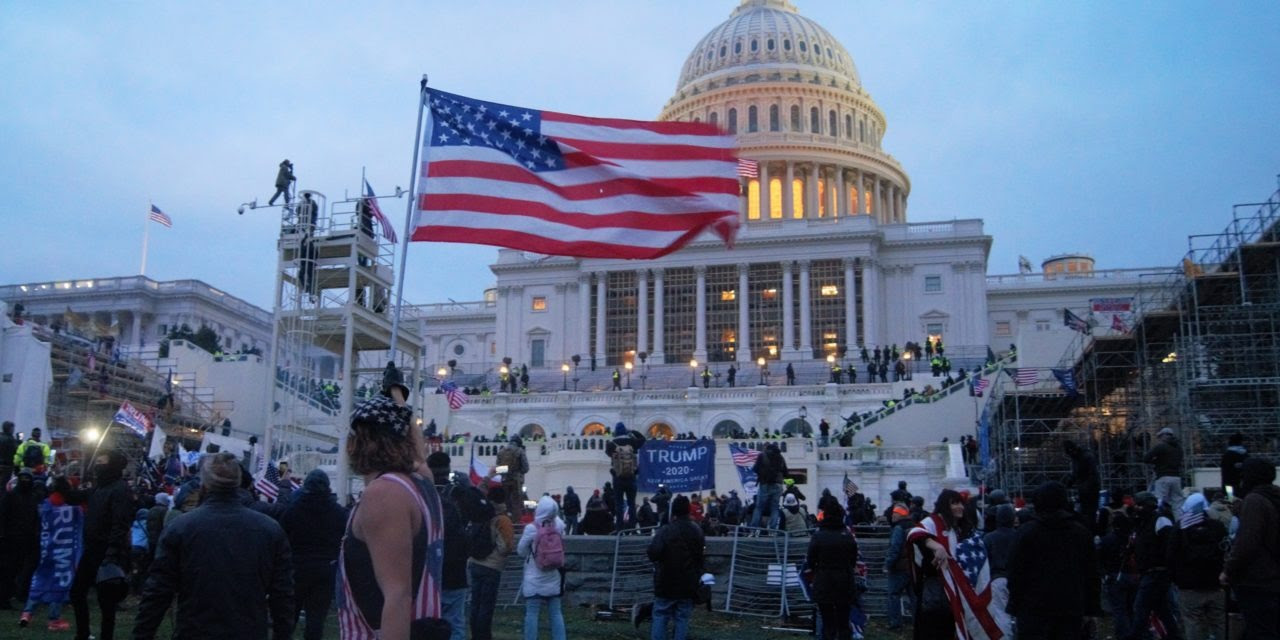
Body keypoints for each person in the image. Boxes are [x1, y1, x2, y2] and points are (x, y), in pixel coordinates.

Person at [133, 452, 294, 640]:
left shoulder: (181, 528)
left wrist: (142, 633)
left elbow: (158, 591)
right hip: (247, 630)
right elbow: (282, 595)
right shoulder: (269, 530)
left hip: (195, 630)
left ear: (204, 484)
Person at [335, 391, 448, 640]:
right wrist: (398, 400)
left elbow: (397, 596)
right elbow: (420, 459)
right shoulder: (422, 485)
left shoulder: (384, 493)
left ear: (360, 442)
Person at [906, 489, 1009, 639]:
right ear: (944, 506)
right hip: (937, 599)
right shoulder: (932, 524)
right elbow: (914, 534)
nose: (960, 507)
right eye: (954, 503)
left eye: (961, 503)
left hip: (959, 597)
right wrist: (936, 545)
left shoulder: (963, 530)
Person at [1007, 482, 1098, 638]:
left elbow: (1015, 573)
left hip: (1034, 609)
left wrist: (1015, 605)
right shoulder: (1081, 533)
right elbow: (1092, 574)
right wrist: (1090, 609)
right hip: (1071, 608)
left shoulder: (1025, 533)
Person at [71, 450, 133, 640]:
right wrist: (61, 487)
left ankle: (106, 636)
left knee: (106, 601)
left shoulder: (120, 489)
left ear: (111, 465)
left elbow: (120, 522)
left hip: (107, 551)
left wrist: (112, 552)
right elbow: (77, 497)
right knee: (77, 592)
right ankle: (83, 633)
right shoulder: (99, 488)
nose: (97, 465)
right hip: (92, 550)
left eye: (101, 462)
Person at [279, 469, 346, 640]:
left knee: (288, 617)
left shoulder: (294, 510)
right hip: (325, 569)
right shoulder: (338, 512)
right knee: (316, 619)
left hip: (297, 568)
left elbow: (282, 537)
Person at [1220, 458, 1280, 638]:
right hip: (1274, 578)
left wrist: (1228, 570)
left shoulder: (1254, 500)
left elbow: (1247, 542)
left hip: (1257, 580)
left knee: (1260, 631)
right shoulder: (1273, 498)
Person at [20, 475, 80, 631]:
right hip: (64, 551)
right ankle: (54, 619)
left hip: (46, 549)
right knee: (60, 582)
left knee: (40, 578)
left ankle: (27, 613)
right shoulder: (73, 509)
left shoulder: (45, 505)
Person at [1168, 492, 1227, 640]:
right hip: (1216, 584)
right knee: (1219, 623)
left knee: (1193, 624)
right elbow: (1226, 552)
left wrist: (1177, 579)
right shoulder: (1218, 527)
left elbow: (1170, 556)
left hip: (1189, 587)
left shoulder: (1180, 529)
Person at [647, 495, 704, 640]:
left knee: (660, 614)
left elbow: (653, 553)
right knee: (682, 618)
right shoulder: (697, 531)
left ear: (673, 512)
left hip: (666, 580)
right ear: (688, 510)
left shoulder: (666, 531)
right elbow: (701, 557)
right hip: (688, 582)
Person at [425, 452, 469, 640]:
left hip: (430, 570)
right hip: (456, 571)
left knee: (428, 624)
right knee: (456, 623)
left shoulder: (422, 494)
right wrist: (470, 489)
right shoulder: (459, 494)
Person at [1127, 491, 1182, 640]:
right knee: (1161, 608)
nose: (1137, 508)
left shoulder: (1160, 520)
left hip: (1157, 572)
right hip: (1150, 572)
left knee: (1141, 607)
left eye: (1140, 505)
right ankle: (1174, 636)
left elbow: (1171, 546)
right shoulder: (1142, 523)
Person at [517, 496, 566, 640]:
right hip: (554, 575)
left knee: (532, 613)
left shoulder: (532, 528)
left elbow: (521, 551)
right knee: (556, 613)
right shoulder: (559, 525)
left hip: (534, 576)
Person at [470, 485, 515, 640]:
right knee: (486, 606)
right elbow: (506, 546)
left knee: (475, 603)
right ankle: (484, 636)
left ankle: (475, 635)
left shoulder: (480, 513)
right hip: (491, 566)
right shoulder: (502, 519)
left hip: (474, 562)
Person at [807, 503, 858, 640]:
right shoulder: (847, 536)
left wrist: (818, 570)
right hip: (844, 580)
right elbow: (853, 558)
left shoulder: (818, 536)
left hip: (824, 579)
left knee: (827, 621)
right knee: (843, 621)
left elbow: (810, 560)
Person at [0, 469, 41, 610]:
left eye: (27, 478)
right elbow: (3, 516)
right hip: (11, 539)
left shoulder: (31, 497)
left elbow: (35, 518)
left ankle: (17, 594)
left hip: (26, 539)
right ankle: (4, 598)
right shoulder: (11, 496)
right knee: (9, 570)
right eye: (23, 478)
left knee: (20, 569)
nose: (25, 481)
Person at [1098, 511, 1139, 640]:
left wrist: (1104, 574)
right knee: (1131, 608)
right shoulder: (1132, 540)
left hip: (1115, 577)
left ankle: (1124, 635)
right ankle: (1134, 632)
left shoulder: (1107, 540)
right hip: (1132, 576)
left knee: (1119, 609)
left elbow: (1099, 559)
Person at [982, 503, 1016, 626]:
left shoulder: (989, 538)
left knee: (1002, 616)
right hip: (1019, 579)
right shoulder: (1020, 535)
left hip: (997, 580)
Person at [883, 504, 914, 632]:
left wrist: (887, 565)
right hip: (912, 568)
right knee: (914, 596)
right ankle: (918, 622)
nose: (892, 515)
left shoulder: (898, 528)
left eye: (894, 513)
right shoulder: (914, 526)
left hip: (899, 568)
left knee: (893, 595)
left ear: (900, 514)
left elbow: (895, 549)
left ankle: (895, 624)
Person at [606, 424, 643, 530]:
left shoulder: (611, 444)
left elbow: (608, 453)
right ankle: (632, 528)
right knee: (632, 504)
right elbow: (643, 439)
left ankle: (619, 528)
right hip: (631, 477)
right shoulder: (632, 442)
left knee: (619, 504)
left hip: (618, 478)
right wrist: (632, 431)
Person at [1144, 427, 1184, 515]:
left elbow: (1146, 458)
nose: (1159, 439)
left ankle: (1160, 521)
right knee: (1177, 503)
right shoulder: (1179, 448)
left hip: (1163, 476)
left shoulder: (1161, 446)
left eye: (1160, 437)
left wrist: (1156, 461)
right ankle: (1179, 523)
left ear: (1163, 436)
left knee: (1159, 501)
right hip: (1176, 477)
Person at [1063, 440, 1101, 530]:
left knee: (1090, 511)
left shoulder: (1087, 456)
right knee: (1084, 511)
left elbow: (1093, 475)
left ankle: (1091, 529)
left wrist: (1085, 486)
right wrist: (1068, 483)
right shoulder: (1075, 458)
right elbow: (1075, 473)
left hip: (1091, 489)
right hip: (1083, 488)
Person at [749, 444, 787, 530]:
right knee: (774, 507)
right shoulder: (780, 457)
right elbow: (785, 472)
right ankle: (773, 529)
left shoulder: (762, 455)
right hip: (777, 484)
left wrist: (762, 474)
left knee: (759, 507)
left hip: (764, 484)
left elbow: (755, 469)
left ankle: (753, 528)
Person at [496, 436, 529, 519]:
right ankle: (516, 521)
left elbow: (498, 467)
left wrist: (505, 473)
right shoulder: (519, 451)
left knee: (506, 501)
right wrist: (517, 472)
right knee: (516, 502)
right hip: (516, 481)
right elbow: (526, 468)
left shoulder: (501, 452)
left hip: (504, 480)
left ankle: (506, 518)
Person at [0, 421, 16, 489]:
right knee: (3, 486)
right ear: (10, 429)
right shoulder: (11, 440)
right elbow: (14, 453)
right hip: (7, 466)